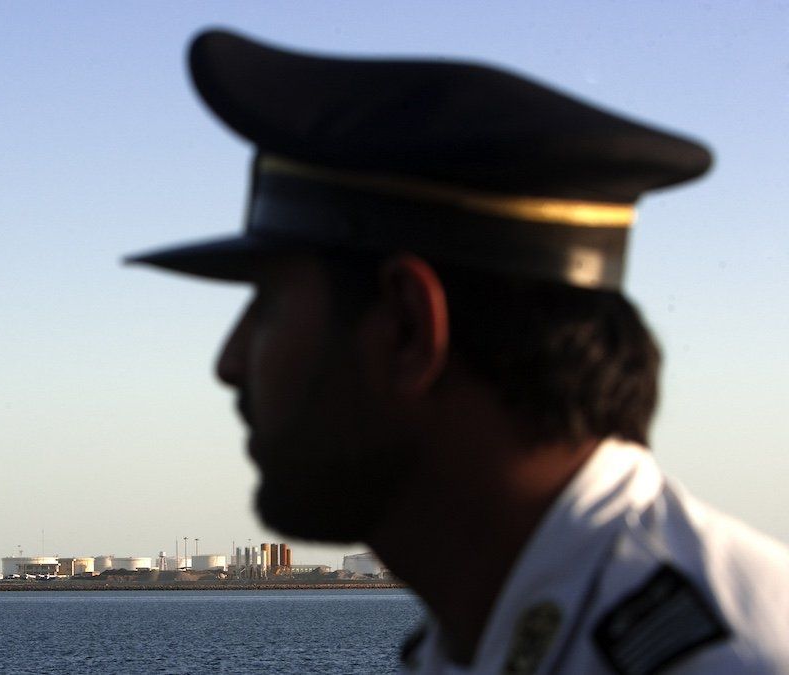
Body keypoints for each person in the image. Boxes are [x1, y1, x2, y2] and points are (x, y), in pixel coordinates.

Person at [128, 30, 789, 673]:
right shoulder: (484, 636)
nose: (229, 361)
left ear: (409, 330)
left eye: (266, 307)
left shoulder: (732, 658)